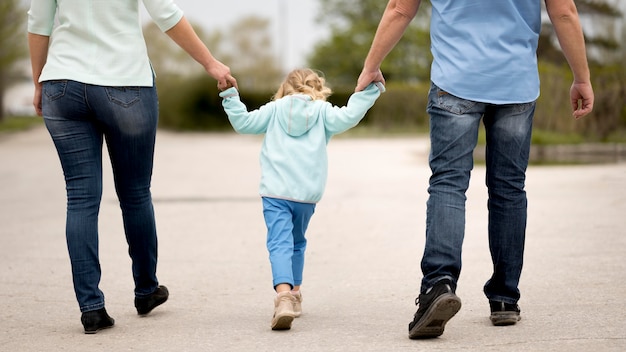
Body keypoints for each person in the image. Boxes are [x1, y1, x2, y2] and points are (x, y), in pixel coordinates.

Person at [356, 0, 594, 339]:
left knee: (448, 185)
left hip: (455, 80)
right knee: (509, 189)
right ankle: (504, 299)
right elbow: (564, 12)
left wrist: (371, 66)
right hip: (516, 84)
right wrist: (581, 78)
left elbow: (399, 9)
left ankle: (438, 284)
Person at [27, 0, 237, 334]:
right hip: (125, 82)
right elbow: (166, 14)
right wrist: (210, 64)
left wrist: (39, 82)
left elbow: (39, 25)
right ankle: (146, 290)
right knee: (135, 193)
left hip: (62, 84)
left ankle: (91, 308)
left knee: (80, 197)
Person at [219, 68, 384, 330]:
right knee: (297, 242)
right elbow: (350, 115)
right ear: (317, 88)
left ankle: (284, 296)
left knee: (279, 243)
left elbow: (244, 123)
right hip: (306, 195)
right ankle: (294, 294)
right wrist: (371, 91)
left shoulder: (273, 110)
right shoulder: (322, 112)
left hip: (275, 192)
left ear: (285, 88)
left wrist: (229, 95)